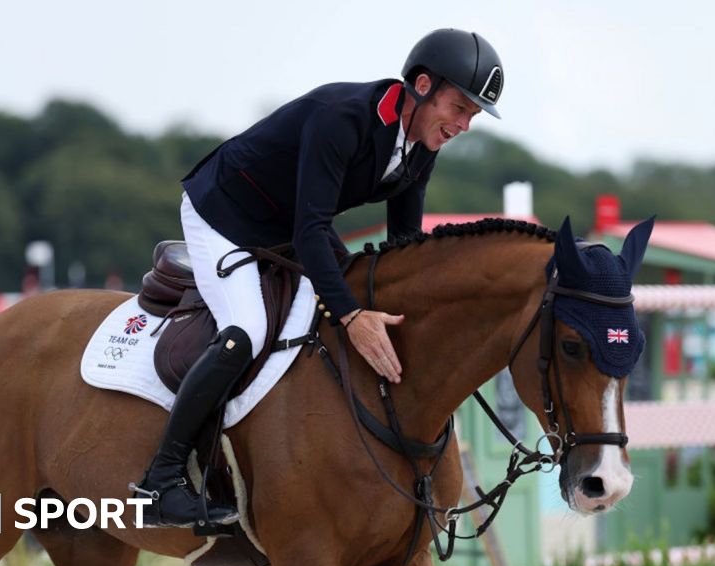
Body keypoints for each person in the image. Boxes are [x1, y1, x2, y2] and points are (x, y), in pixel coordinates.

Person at [131, 29, 505, 528]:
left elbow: (404, 246)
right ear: (421, 85)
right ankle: (162, 479)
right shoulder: (343, 118)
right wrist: (351, 315)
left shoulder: (420, 141)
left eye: (473, 116)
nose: (463, 124)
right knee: (248, 332)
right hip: (225, 214)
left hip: (289, 223)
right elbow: (311, 232)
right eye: (459, 108)